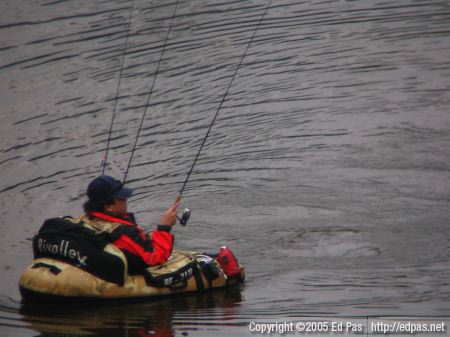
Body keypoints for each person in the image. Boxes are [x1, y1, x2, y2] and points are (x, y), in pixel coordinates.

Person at [78, 175, 180, 274]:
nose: (126, 201)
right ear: (108, 206)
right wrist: (165, 228)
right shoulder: (123, 233)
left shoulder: (85, 219)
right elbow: (156, 258)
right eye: (121, 199)